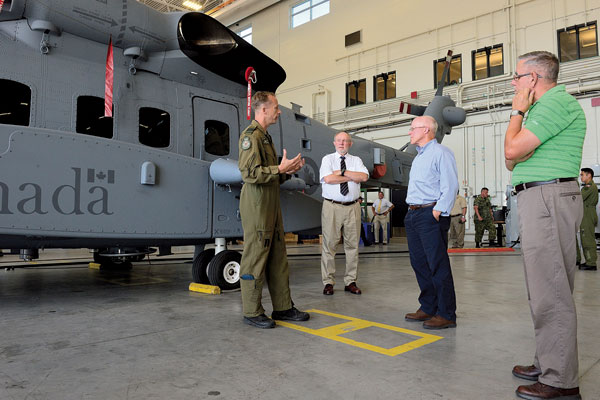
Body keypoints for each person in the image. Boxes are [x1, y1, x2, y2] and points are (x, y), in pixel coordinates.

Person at [504, 51, 585, 399]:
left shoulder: (553, 103)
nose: (514, 82)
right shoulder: (544, 109)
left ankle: (560, 381)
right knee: (543, 287)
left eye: (517, 76)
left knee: (550, 291)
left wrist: (517, 112)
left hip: (548, 198)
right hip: (541, 197)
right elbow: (513, 161)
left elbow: (510, 151)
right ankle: (548, 360)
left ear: (533, 79)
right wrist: (519, 146)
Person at [238, 91, 310, 329]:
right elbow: (249, 174)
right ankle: (251, 310)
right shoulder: (250, 137)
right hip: (257, 205)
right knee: (256, 256)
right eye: (276, 107)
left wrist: (285, 171)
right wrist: (279, 169)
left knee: (278, 255)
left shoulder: (266, 137)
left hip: (270, 202)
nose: (279, 111)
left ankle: (282, 307)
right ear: (264, 110)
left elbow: (269, 175)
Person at [403, 115, 459, 330]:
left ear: (426, 130)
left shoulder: (440, 153)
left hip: (429, 214)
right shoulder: (419, 156)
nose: (410, 132)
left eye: (412, 128)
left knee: (437, 265)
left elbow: (450, 185)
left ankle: (446, 313)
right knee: (419, 264)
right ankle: (428, 306)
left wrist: (437, 211)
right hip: (413, 214)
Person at [320, 132, 369, 295]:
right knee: (329, 245)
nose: (342, 143)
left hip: (353, 207)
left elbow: (363, 177)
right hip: (332, 207)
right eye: (339, 141)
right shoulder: (327, 159)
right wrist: (351, 175)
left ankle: (350, 281)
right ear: (334, 143)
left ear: (350, 144)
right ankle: (328, 282)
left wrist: (341, 173)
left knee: (352, 246)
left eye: (345, 141)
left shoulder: (357, 160)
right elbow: (328, 180)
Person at [577, 167, 598, 271]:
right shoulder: (587, 186)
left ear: (589, 175)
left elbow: (579, 197)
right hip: (587, 213)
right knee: (586, 237)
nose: (581, 176)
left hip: (588, 214)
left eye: (582, 174)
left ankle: (591, 263)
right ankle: (589, 261)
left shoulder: (589, 186)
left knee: (587, 239)